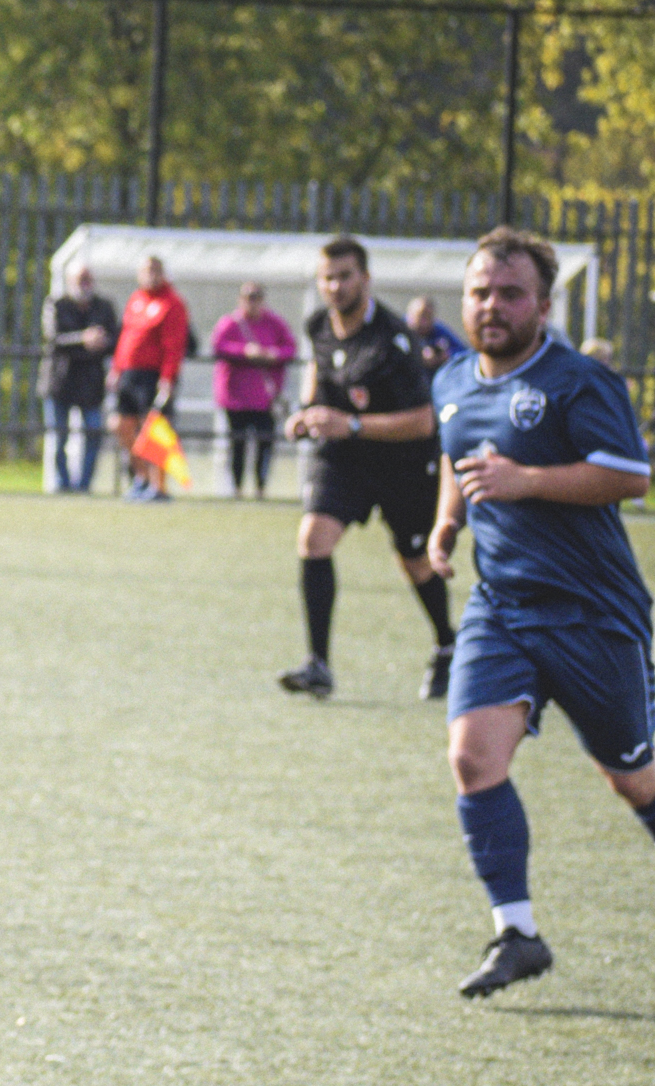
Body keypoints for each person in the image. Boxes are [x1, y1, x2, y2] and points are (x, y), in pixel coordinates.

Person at [428, 229, 655, 997]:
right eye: (480, 293)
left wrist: (526, 479)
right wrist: (447, 522)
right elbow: (457, 455)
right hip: (502, 606)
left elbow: (629, 476)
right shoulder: (452, 378)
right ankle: (517, 934)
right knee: (472, 757)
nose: (492, 307)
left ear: (544, 306)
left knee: (634, 781)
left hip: (593, 613)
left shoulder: (579, 381)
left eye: (510, 294)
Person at [279, 235, 453, 701]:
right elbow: (318, 381)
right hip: (344, 459)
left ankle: (446, 643)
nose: (335, 286)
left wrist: (352, 424)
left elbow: (423, 422)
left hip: (403, 463)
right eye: (328, 278)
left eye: (345, 276)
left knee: (415, 561)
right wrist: (305, 415)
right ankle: (318, 664)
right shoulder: (318, 324)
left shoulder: (395, 339)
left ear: (366, 279)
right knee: (313, 538)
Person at [109, 255, 189, 501]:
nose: (151, 275)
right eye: (147, 270)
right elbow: (125, 337)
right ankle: (141, 478)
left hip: (153, 376)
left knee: (154, 431)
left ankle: (159, 487)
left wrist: (168, 377)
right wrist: (116, 369)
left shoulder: (172, 302)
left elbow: (174, 345)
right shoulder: (136, 299)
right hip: (129, 374)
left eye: (156, 270)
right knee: (120, 425)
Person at [210, 281, 297, 501]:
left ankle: (261, 488)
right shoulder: (231, 323)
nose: (252, 302)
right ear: (240, 299)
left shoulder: (275, 323)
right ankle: (237, 488)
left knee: (265, 444)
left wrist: (273, 354)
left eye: (256, 297)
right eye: (248, 297)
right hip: (236, 399)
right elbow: (218, 346)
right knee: (237, 445)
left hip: (265, 399)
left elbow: (290, 348)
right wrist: (245, 351)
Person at [41, 263, 118, 495]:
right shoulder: (56, 304)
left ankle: (84, 485)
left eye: (88, 279)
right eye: (79, 279)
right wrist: (83, 339)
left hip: (91, 383)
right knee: (59, 436)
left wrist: (102, 342)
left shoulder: (104, 307)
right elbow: (53, 338)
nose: (84, 284)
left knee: (93, 433)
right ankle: (62, 483)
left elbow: (116, 339)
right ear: (69, 281)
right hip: (60, 382)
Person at [407, 295, 469, 377]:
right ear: (410, 315)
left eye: (428, 317)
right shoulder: (401, 331)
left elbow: (464, 353)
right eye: (421, 316)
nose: (424, 322)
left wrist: (446, 356)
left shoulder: (438, 330)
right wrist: (418, 356)